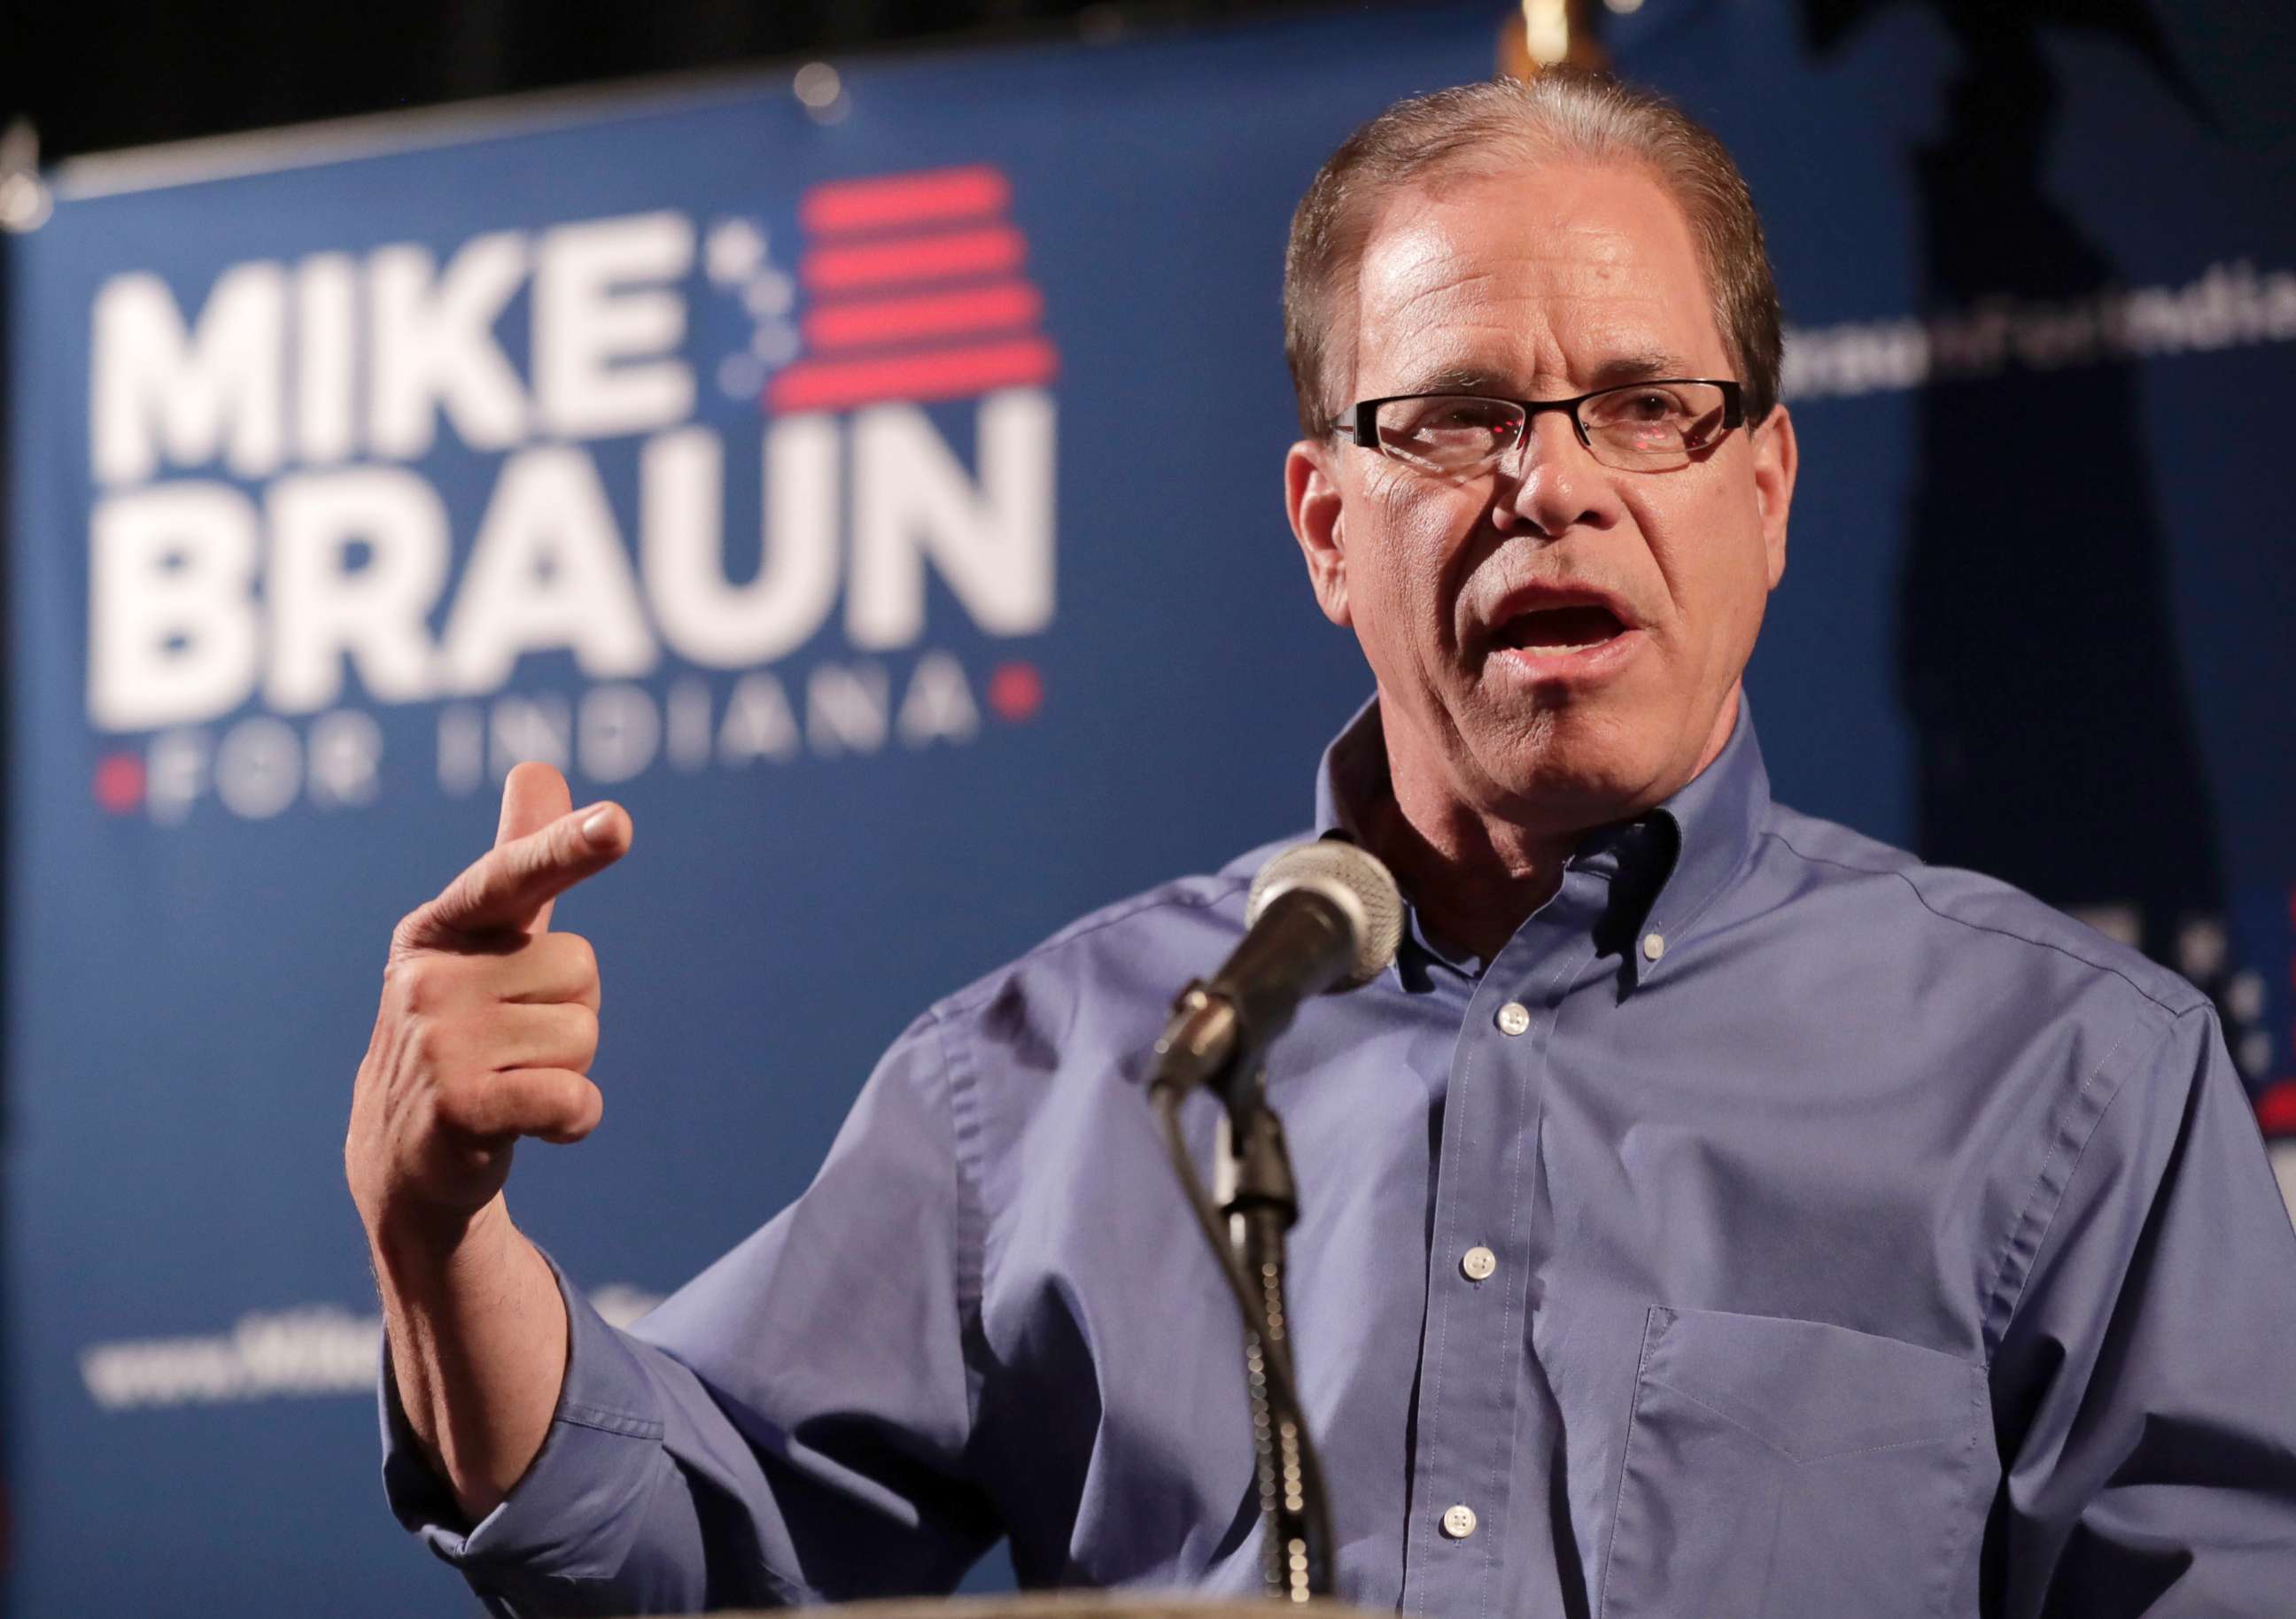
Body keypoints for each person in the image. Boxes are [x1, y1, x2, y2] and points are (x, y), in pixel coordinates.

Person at [349, 73, 2296, 1616]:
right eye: (1453, 420)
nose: (1554, 483)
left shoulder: (2074, 1081)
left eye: (1645, 407)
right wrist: (441, 1235)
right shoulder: (1044, 1081)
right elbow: (687, 1554)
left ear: (1766, 491)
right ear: (1324, 525)